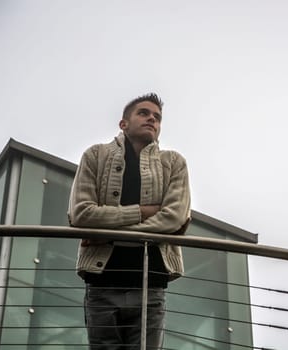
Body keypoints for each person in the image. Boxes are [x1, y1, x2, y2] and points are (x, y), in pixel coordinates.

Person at [68, 93, 191, 349]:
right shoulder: (95, 156)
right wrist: (143, 212)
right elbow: (81, 213)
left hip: (151, 284)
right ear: (123, 123)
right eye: (144, 113)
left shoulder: (174, 163)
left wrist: (108, 234)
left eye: (157, 117)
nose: (152, 120)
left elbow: (174, 218)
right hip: (101, 282)